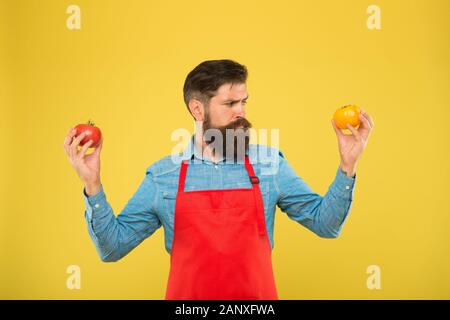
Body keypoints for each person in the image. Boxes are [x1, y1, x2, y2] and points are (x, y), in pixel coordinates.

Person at [63, 59, 374, 300]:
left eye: (244, 102)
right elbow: (112, 248)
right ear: (197, 109)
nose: (241, 112)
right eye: (229, 104)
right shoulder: (164, 176)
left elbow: (326, 225)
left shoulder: (268, 166)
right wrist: (93, 185)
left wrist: (348, 165)